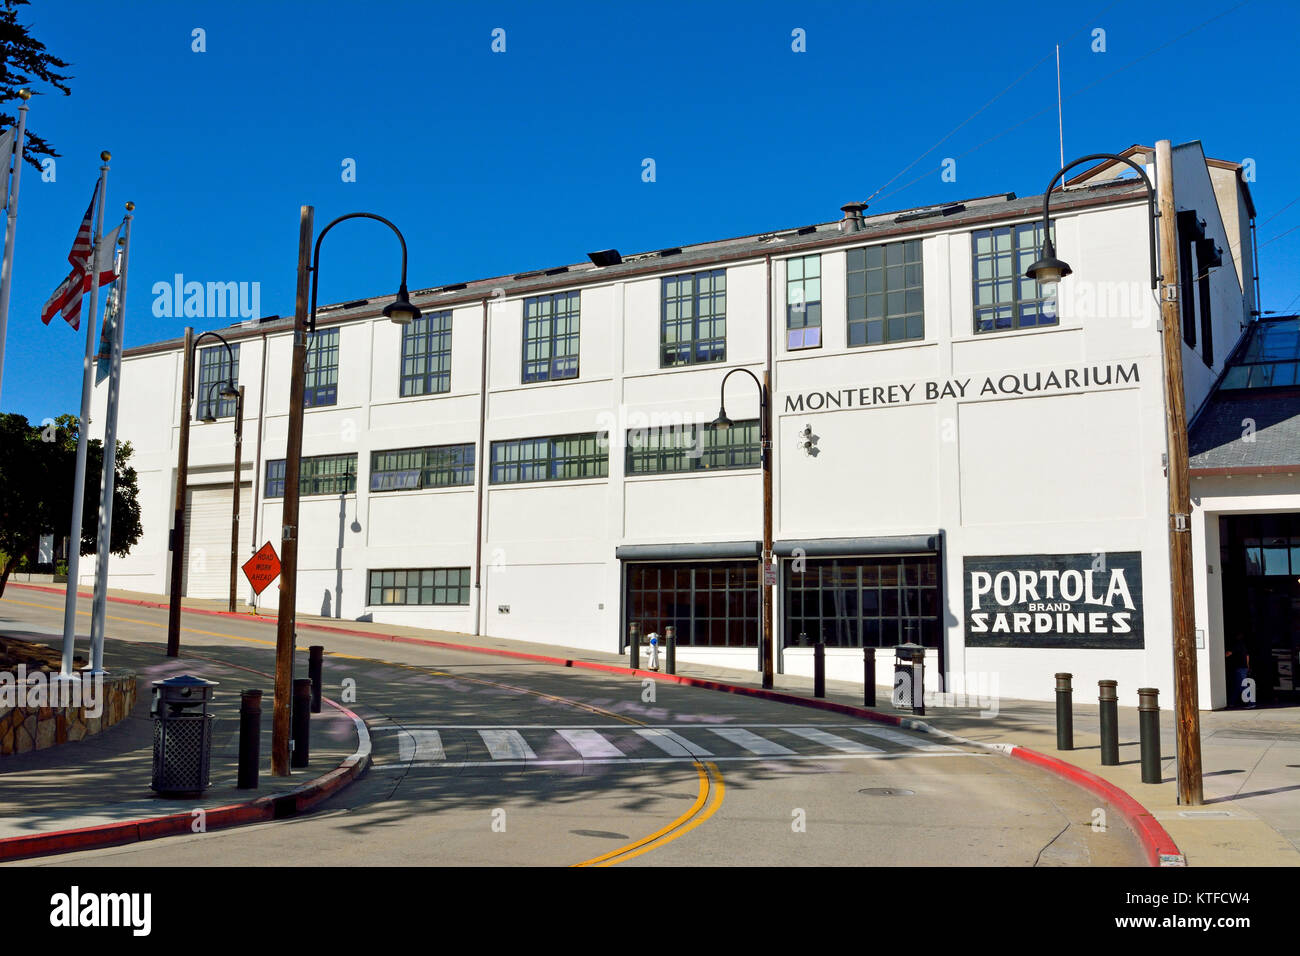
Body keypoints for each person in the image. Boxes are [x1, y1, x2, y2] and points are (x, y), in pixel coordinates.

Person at [1226, 633, 1252, 708]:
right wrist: (1248, 666)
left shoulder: (1237, 645)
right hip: (1243, 668)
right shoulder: (1244, 645)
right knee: (1237, 686)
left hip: (1239, 668)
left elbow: (1229, 653)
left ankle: (1251, 702)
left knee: (1242, 685)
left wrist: (1219, 655)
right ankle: (1232, 702)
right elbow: (1247, 656)